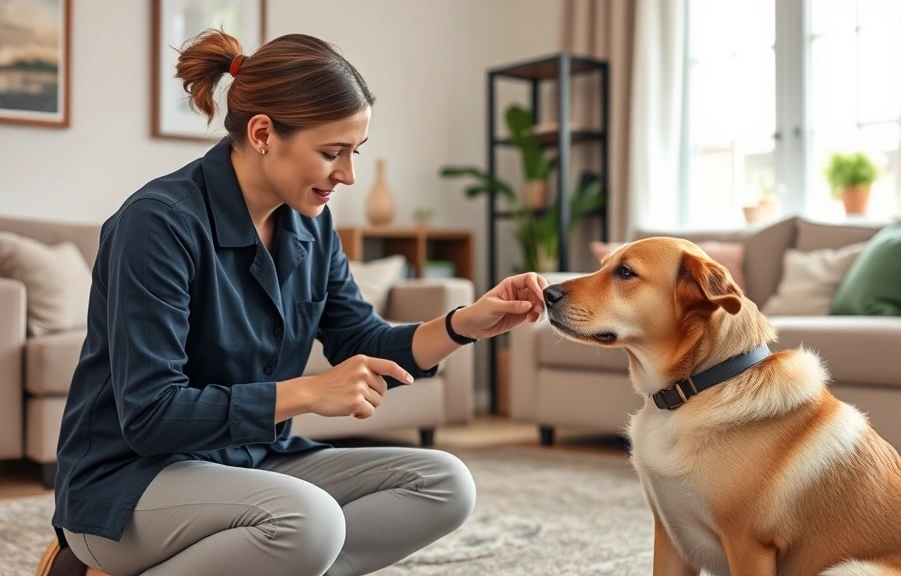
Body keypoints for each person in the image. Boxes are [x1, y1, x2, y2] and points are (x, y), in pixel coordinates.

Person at [34, 29, 548, 576]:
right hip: (129, 482)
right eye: (331, 153)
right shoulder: (158, 223)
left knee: (445, 483)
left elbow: (363, 341)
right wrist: (305, 392)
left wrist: (466, 323)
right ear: (262, 133)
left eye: (355, 153)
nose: (347, 175)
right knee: (308, 521)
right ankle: (84, 565)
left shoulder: (311, 226)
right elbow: (151, 415)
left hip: (253, 462)